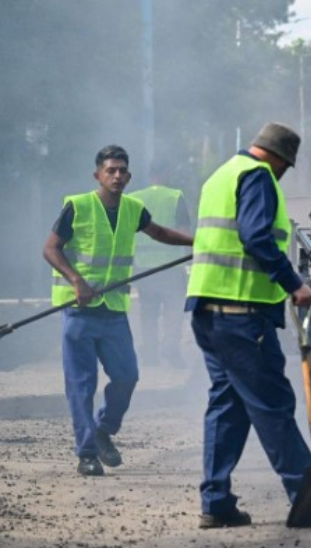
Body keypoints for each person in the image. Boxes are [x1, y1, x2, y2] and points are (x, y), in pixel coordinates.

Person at [186, 123, 311, 528]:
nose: (282, 174)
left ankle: (216, 502)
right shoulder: (258, 176)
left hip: (209, 312)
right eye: (286, 167)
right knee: (273, 405)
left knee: (226, 407)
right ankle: (307, 494)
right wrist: (293, 283)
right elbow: (256, 237)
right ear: (280, 159)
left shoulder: (221, 174)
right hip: (243, 315)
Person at [42, 145, 194, 477]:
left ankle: (103, 430)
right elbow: (50, 248)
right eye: (110, 170)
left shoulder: (133, 209)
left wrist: (198, 242)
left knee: (128, 376)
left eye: (122, 170)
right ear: (97, 174)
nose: (117, 176)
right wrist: (76, 280)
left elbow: (160, 233)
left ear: (129, 175)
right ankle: (86, 454)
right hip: (79, 312)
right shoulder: (77, 206)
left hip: (113, 311)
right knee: (82, 385)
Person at [127, 162, 191, 367]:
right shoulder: (175, 196)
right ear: (166, 172)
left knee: (148, 311)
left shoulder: (134, 198)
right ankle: (170, 347)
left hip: (143, 265)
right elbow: (183, 231)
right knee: (173, 309)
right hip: (171, 265)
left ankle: (150, 354)